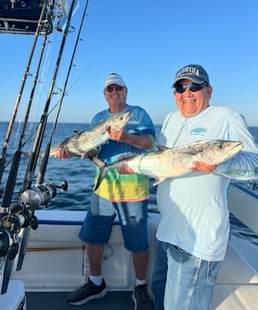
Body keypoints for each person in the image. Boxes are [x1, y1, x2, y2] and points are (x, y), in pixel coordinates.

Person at [150, 64, 258, 310]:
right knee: (159, 295)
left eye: (194, 86)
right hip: (167, 231)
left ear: (208, 91)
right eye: (180, 87)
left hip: (196, 242)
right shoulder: (170, 119)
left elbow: (255, 164)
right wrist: (135, 167)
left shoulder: (226, 116)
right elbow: (163, 162)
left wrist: (218, 166)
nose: (186, 92)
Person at [55, 72, 155, 309]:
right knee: (93, 236)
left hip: (134, 188)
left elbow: (150, 143)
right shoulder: (98, 118)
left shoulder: (138, 113)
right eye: (110, 89)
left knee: (138, 242)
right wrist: (72, 152)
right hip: (103, 188)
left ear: (126, 90)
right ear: (104, 94)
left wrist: (127, 136)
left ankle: (141, 287)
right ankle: (95, 282)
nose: (114, 92)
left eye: (118, 88)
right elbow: (92, 151)